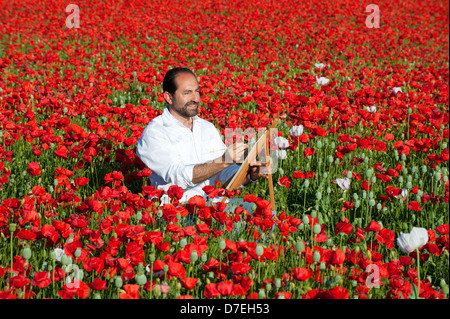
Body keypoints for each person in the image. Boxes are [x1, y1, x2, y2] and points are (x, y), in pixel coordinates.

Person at [136, 67, 266, 204]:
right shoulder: (156, 132)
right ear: (169, 97)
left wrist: (249, 175)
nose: (195, 98)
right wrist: (224, 160)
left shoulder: (206, 128)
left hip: (210, 204)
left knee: (270, 217)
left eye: (197, 91)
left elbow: (225, 174)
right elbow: (178, 177)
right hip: (176, 210)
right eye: (187, 93)